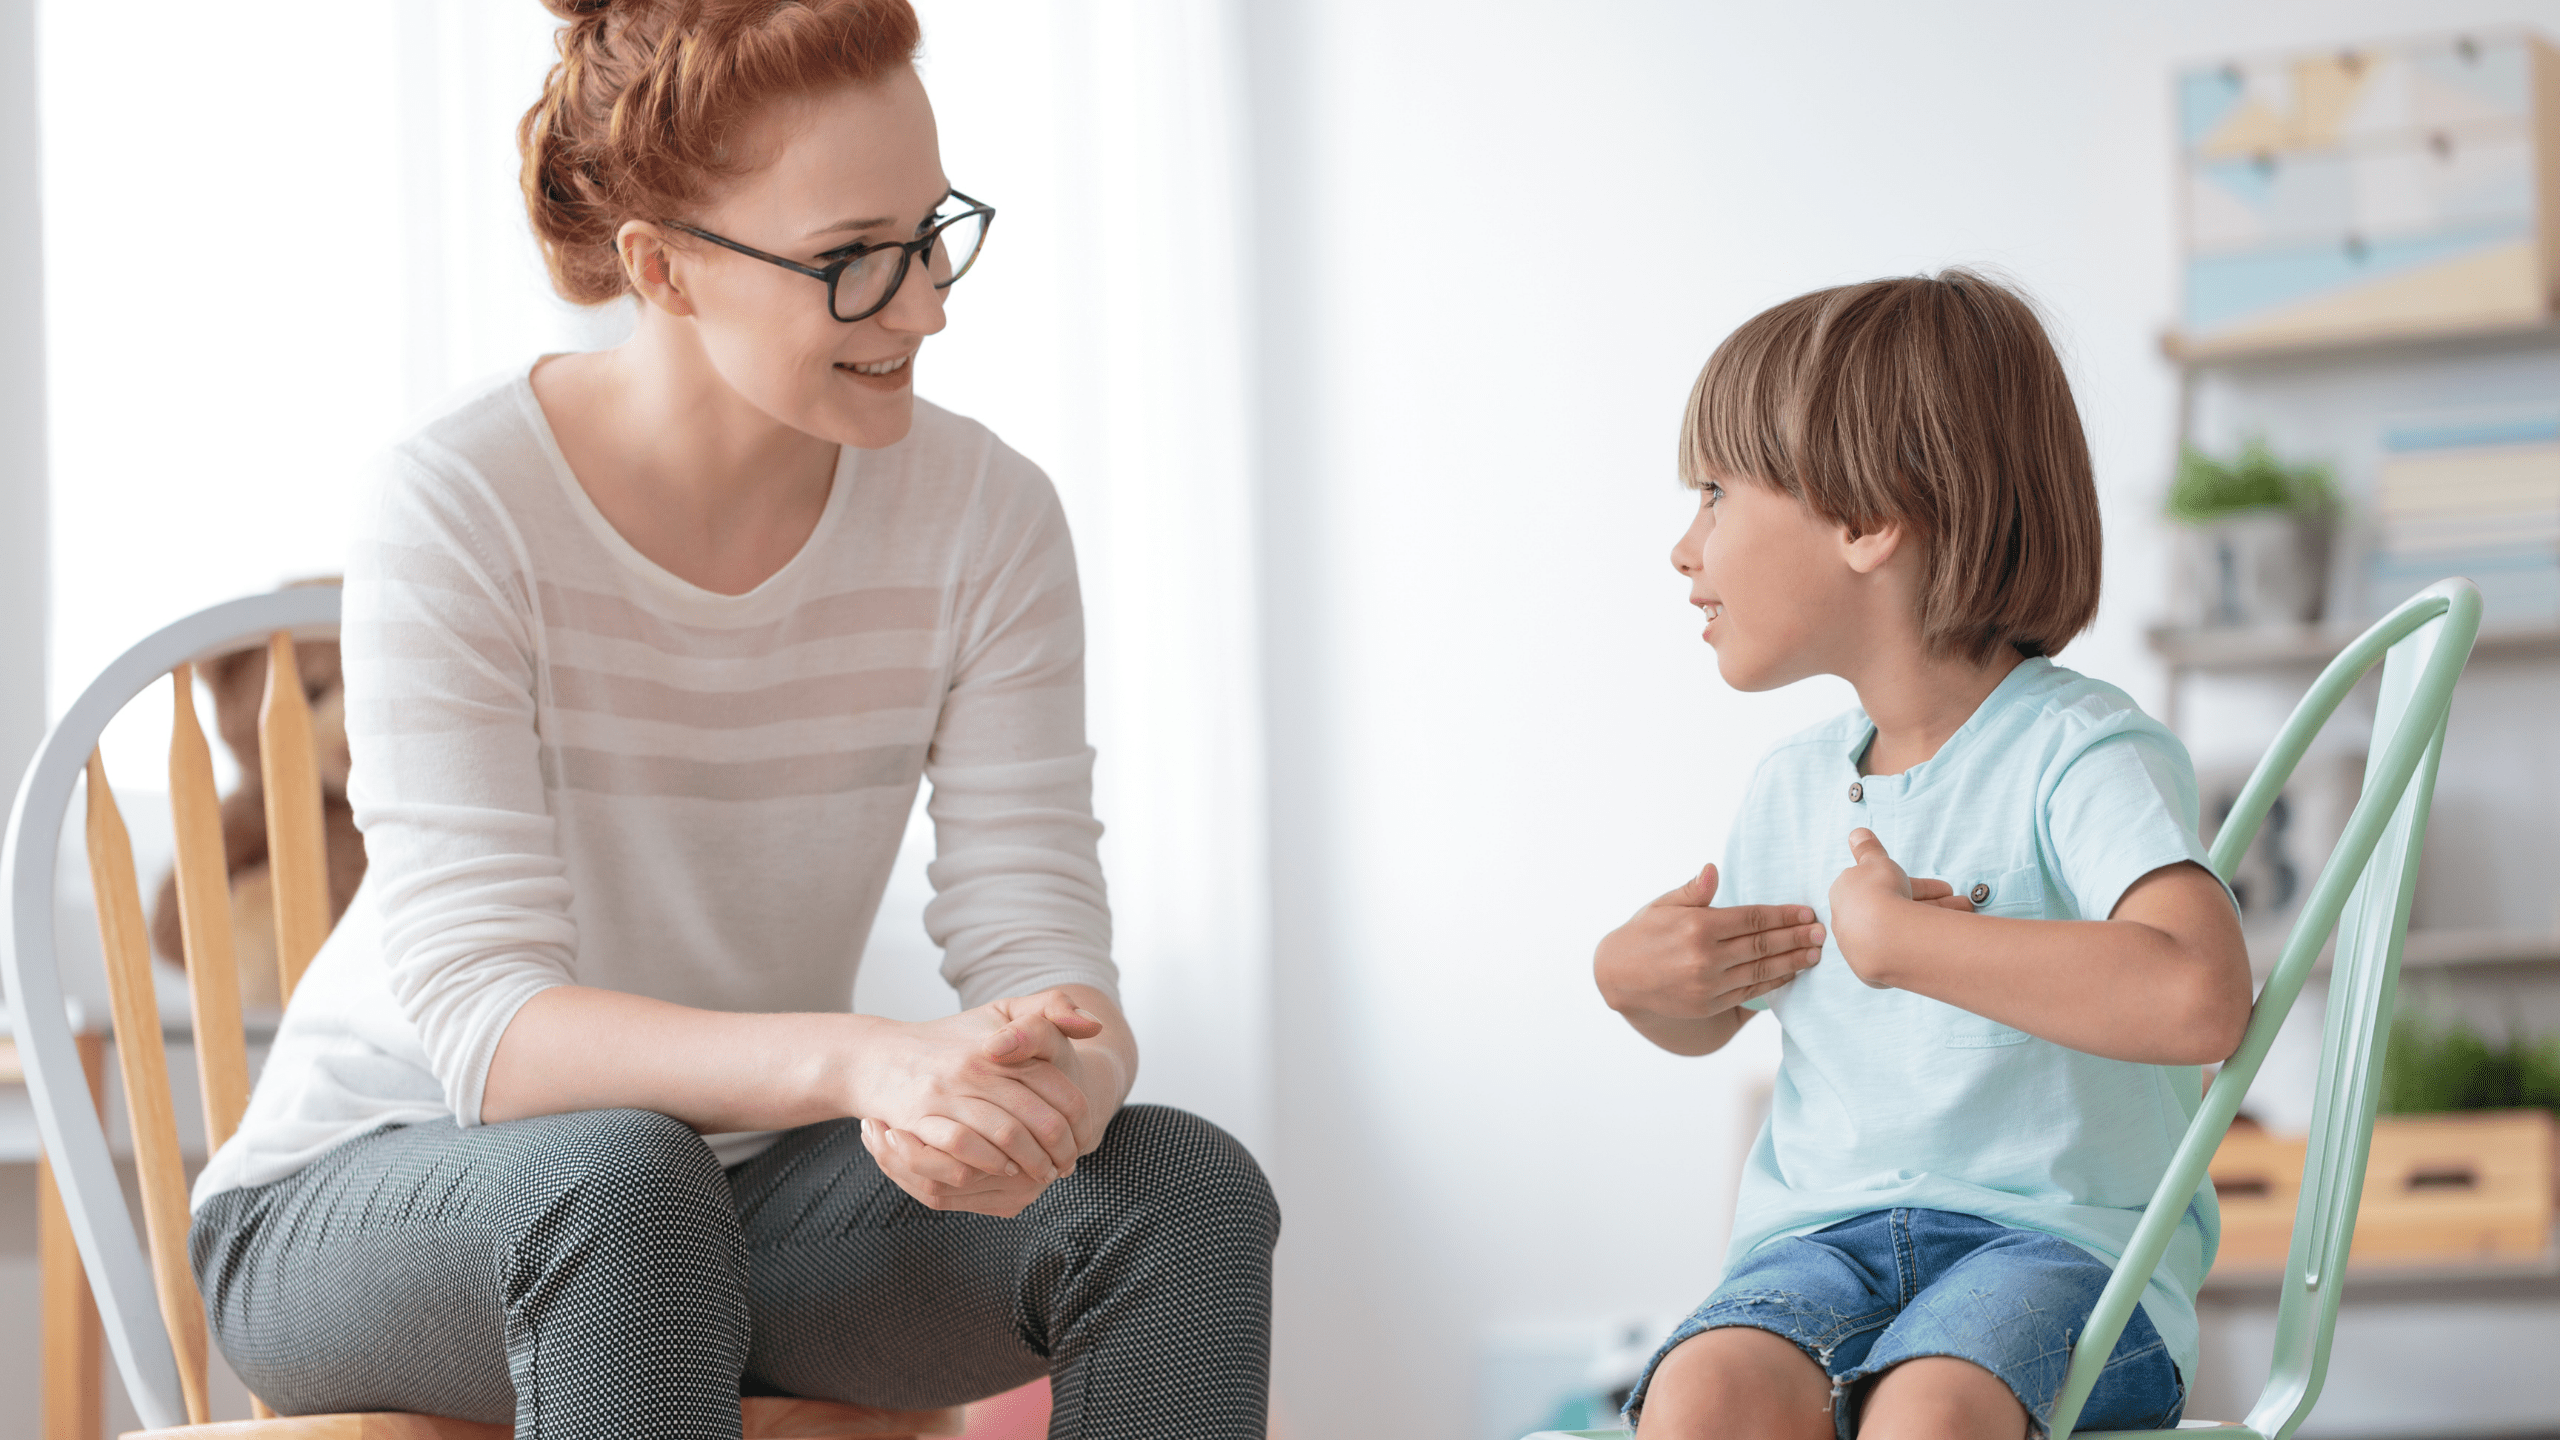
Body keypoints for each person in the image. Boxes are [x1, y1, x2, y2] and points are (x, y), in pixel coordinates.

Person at [184, 3, 1277, 1436]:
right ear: (662, 267)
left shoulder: (988, 519)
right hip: (380, 1195)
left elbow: (1042, 939)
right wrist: (861, 1059)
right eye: (851, 261)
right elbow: (491, 1028)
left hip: (733, 1204)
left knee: (1174, 1191)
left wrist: (1047, 1086)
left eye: (932, 230)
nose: (927, 302)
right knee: (625, 1188)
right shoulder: (459, 501)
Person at [1591, 272, 2251, 1439]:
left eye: (1714, 493)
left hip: (2061, 1254)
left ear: (1865, 521)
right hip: (1819, 1246)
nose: (1682, 546)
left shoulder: (2076, 751)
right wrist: (1650, 987)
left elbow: (2199, 999)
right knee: (1701, 1396)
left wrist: (1919, 943)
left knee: (1931, 1410)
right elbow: (1723, 1008)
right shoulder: (1791, 783)